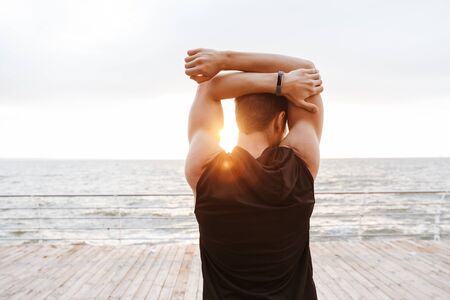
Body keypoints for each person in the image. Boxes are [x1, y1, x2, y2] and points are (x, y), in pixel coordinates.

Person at [184, 48, 323, 300]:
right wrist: (228, 61)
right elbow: (308, 72)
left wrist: (278, 84)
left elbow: (209, 88)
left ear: (237, 120)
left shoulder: (203, 168)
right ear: (281, 121)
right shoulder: (302, 164)